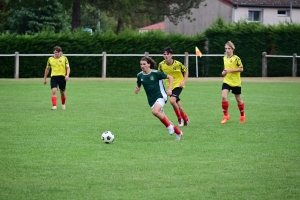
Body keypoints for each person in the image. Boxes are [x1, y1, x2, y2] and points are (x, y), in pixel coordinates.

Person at [134, 56, 183, 140]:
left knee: (154, 111)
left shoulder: (156, 73)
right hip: (151, 100)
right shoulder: (140, 75)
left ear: (149, 64)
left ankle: (169, 127)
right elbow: (139, 83)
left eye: (144, 64)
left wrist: (170, 89)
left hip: (161, 96)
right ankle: (179, 133)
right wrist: (138, 88)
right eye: (141, 64)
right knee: (164, 118)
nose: (142, 66)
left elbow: (170, 77)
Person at [158, 46, 189, 127]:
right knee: (178, 105)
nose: (166, 56)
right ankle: (185, 119)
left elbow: (186, 71)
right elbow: (159, 75)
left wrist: (183, 81)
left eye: (167, 54)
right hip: (170, 87)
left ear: (171, 55)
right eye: (164, 54)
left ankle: (179, 118)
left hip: (178, 84)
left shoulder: (178, 64)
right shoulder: (161, 65)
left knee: (172, 101)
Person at [220, 41, 245, 124]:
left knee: (238, 99)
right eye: (226, 48)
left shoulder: (236, 58)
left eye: (229, 48)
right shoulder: (224, 58)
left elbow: (241, 69)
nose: (227, 50)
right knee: (223, 97)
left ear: (232, 49)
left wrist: (230, 71)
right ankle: (226, 115)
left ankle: (242, 115)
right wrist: (223, 73)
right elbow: (226, 69)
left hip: (236, 82)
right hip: (227, 81)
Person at [43, 46, 70, 110]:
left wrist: (67, 75)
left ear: (60, 52)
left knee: (62, 92)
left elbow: (68, 67)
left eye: (58, 52)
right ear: (53, 52)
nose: (56, 53)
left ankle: (63, 104)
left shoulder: (64, 58)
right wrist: (44, 78)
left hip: (62, 77)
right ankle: (54, 106)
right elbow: (47, 69)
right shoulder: (50, 59)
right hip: (54, 77)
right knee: (54, 91)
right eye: (55, 52)